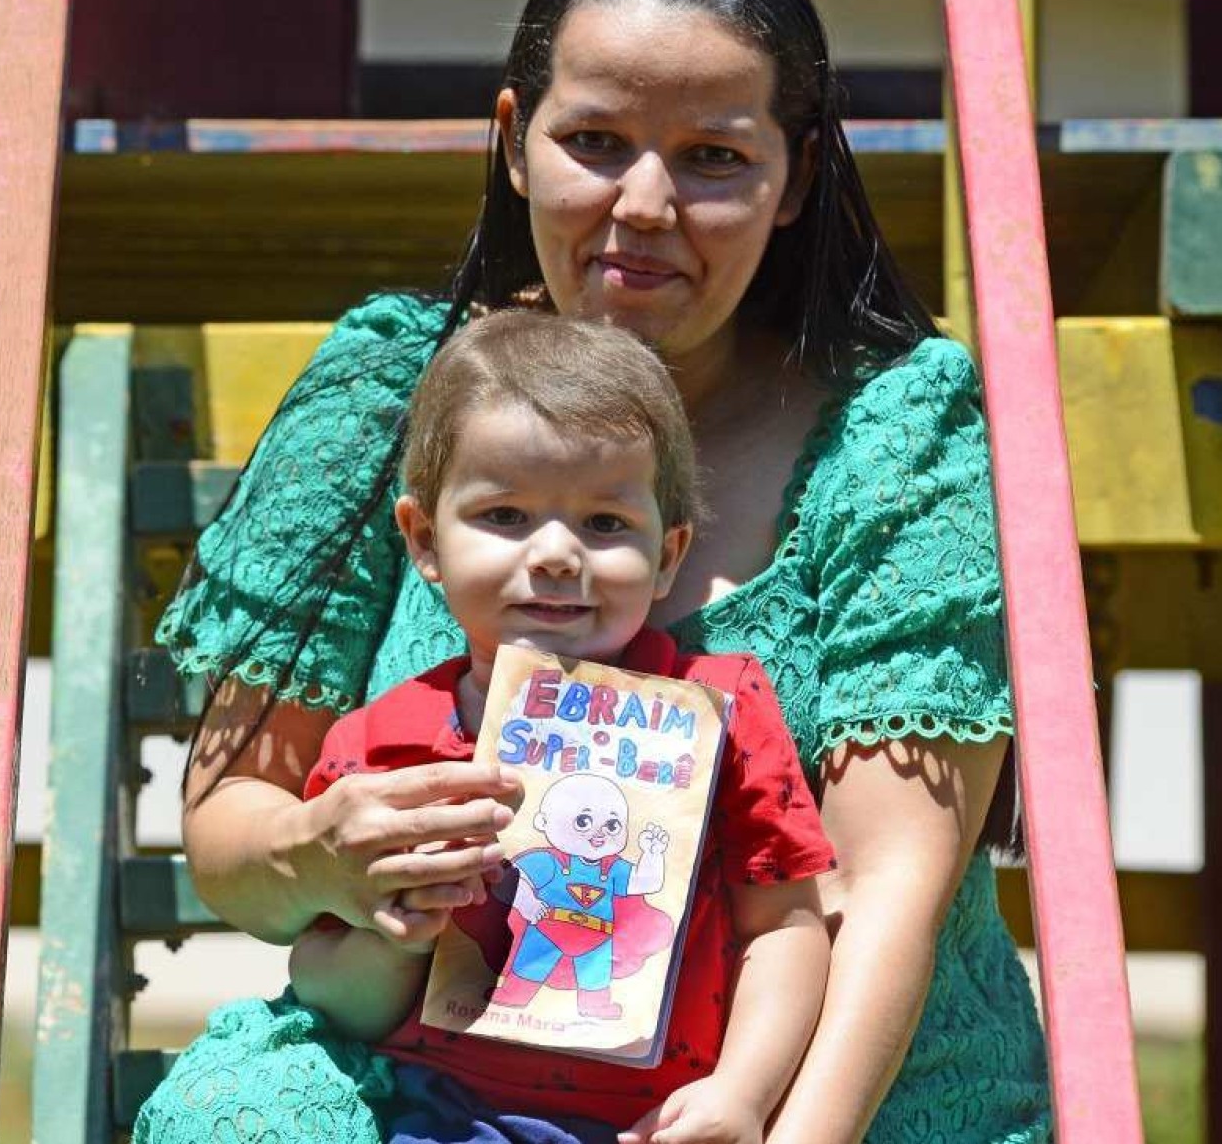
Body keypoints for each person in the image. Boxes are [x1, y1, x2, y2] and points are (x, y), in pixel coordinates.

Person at [138, 0, 1051, 1142]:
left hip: (840, 1090)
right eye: (596, 142)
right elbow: (230, 825)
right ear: (515, 138)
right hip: (431, 1085)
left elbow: (886, 891)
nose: (645, 207)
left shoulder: (894, 433)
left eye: (715, 157)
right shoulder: (384, 399)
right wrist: (323, 853)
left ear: (797, 175)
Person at [283, 311, 837, 1143]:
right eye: (504, 515)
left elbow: (786, 926)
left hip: (666, 1121)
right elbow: (323, 981)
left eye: (605, 524)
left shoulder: (720, 714)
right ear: (425, 538)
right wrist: (394, 935)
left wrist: (746, 1093)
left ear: (671, 553)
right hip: (442, 1114)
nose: (554, 554)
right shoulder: (384, 749)